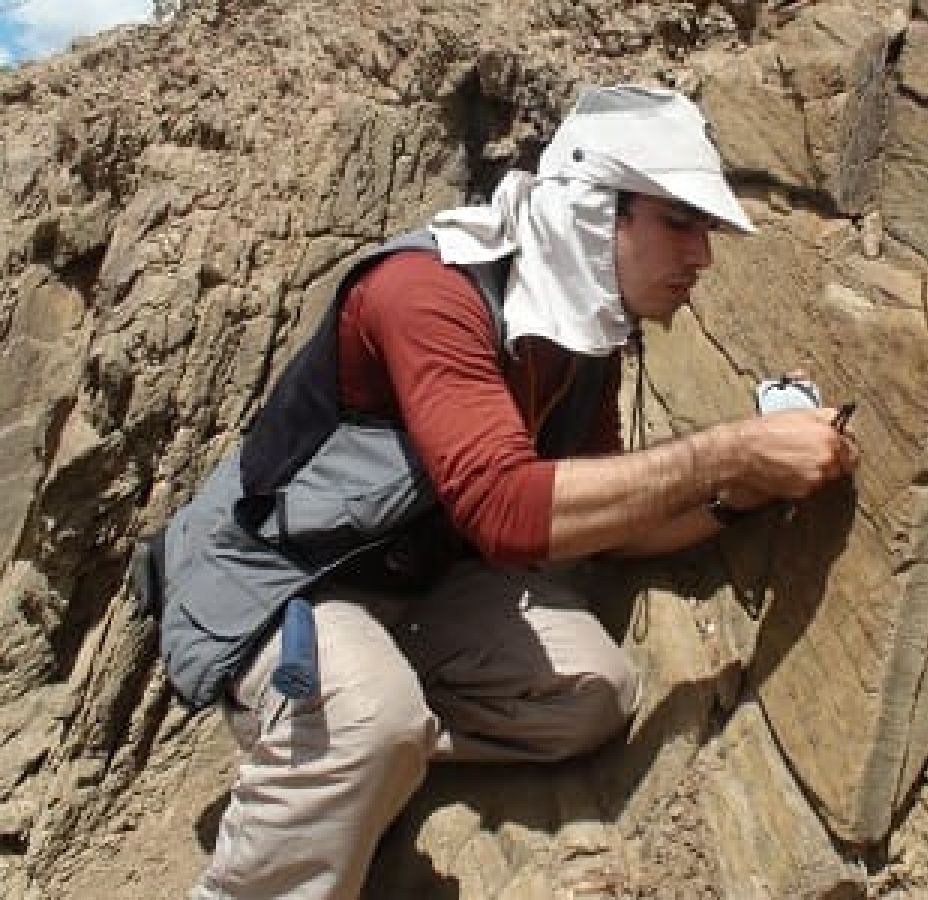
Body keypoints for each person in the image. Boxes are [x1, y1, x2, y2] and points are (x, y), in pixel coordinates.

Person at [161, 84, 858, 900]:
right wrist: (728, 448)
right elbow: (504, 507)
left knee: (590, 699)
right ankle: (335, 748)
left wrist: (737, 491)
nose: (701, 257)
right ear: (600, 212)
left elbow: (598, 521)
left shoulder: (584, 336)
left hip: (416, 585)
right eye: (680, 223)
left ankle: (365, 745)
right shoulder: (427, 294)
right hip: (280, 581)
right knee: (367, 722)